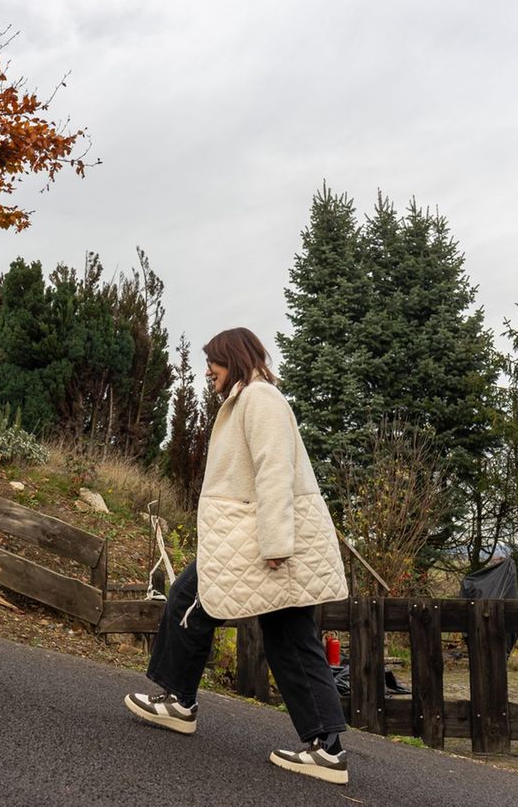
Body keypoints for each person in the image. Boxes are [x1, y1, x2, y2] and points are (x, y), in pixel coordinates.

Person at [124, 327, 351, 785]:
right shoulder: (249, 399)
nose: (209, 370)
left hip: (264, 543)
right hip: (250, 540)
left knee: (191, 600)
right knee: (287, 638)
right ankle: (325, 746)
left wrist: (276, 544)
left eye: (216, 362)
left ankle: (179, 701)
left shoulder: (260, 399)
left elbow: (273, 471)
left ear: (236, 359)